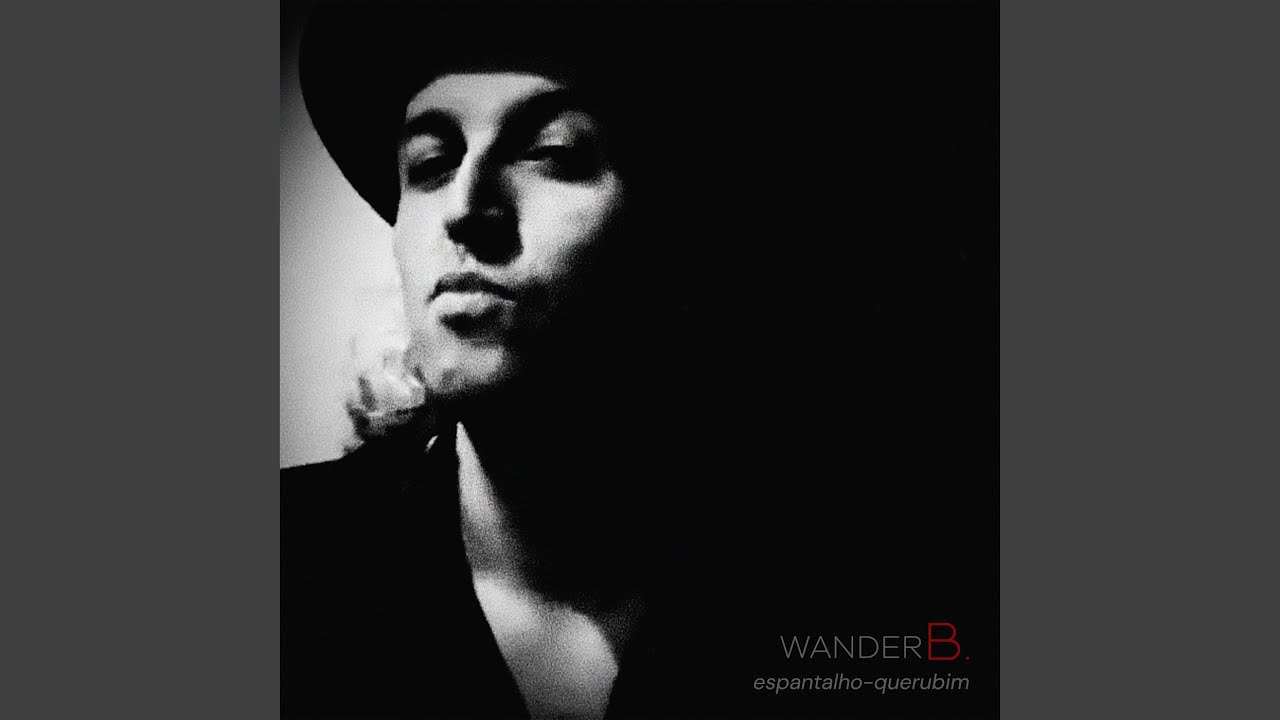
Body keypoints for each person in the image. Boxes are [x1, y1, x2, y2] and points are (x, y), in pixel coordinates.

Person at [283, 2, 1000, 718]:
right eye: (431, 165)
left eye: (553, 153)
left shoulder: (872, 593)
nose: (465, 208)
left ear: (681, 235)